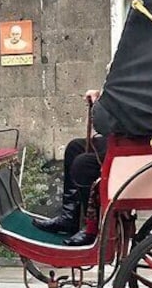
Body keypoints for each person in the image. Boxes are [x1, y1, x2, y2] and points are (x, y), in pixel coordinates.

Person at [32, 89, 106, 246]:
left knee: (83, 164)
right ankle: (69, 217)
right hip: (125, 138)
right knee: (74, 148)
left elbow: (105, 121)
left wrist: (98, 106)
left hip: (136, 142)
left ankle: (91, 227)